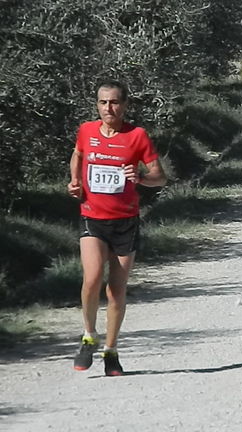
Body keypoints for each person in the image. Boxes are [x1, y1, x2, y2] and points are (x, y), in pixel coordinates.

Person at [68, 80, 167, 376]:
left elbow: (159, 177)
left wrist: (139, 177)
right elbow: (78, 154)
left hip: (125, 220)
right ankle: (88, 335)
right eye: (102, 102)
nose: (108, 108)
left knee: (116, 290)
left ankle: (111, 351)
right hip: (92, 216)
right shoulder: (86, 131)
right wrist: (74, 182)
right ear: (96, 105)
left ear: (124, 105)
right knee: (93, 277)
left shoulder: (137, 136)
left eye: (113, 103)